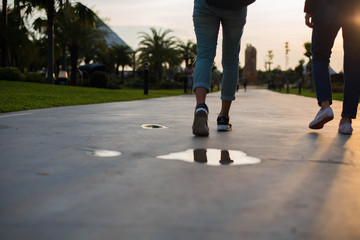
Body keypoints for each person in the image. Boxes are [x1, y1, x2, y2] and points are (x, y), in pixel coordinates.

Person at [192, 0, 255, 136]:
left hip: (205, 5)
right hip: (236, 7)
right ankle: (223, 118)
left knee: (204, 56)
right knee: (231, 61)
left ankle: (200, 106)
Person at [305, 0, 360, 134]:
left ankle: (325, 107)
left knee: (320, 56)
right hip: (355, 7)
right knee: (354, 61)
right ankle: (346, 121)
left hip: (327, 5)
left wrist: (309, 8)